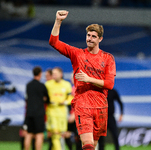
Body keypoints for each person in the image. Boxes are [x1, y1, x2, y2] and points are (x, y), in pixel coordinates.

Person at [49, 10, 116, 150]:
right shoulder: (77, 54)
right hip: (83, 104)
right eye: (88, 35)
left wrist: (88, 79)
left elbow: (109, 84)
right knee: (87, 144)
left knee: (93, 145)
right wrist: (58, 21)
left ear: (100, 39)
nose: (90, 39)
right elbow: (53, 42)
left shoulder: (108, 58)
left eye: (93, 36)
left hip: (101, 106)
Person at [45, 67, 72, 150]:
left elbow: (70, 97)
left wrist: (65, 102)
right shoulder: (48, 84)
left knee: (61, 135)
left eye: (55, 74)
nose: (54, 76)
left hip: (62, 114)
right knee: (55, 135)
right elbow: (43, 97)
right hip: (52, 113)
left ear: (61, 74)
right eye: (53, 74)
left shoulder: (66, 84)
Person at [24, 66, 49, 150]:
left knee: (29, 133)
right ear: (40, 74)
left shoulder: (28, 85)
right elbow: (47, 99)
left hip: (29, 112)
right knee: (39, 134)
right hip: (39, 113)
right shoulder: (42, 86)